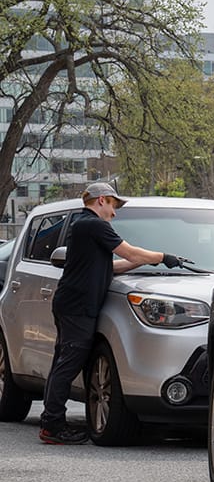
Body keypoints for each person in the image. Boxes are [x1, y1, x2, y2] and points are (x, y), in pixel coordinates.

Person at [38, 183, 181, 445]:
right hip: (78, 306)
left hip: (72, 304)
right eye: (114, 206)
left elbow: (112, 266)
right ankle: (52, 426)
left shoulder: (84, 226)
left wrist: (148, 260)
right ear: (102, 200)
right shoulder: (93, 225)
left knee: (63, 362)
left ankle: (51, 421)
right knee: (68, 364)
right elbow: (128, 251)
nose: (115, 213)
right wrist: (161, 255)